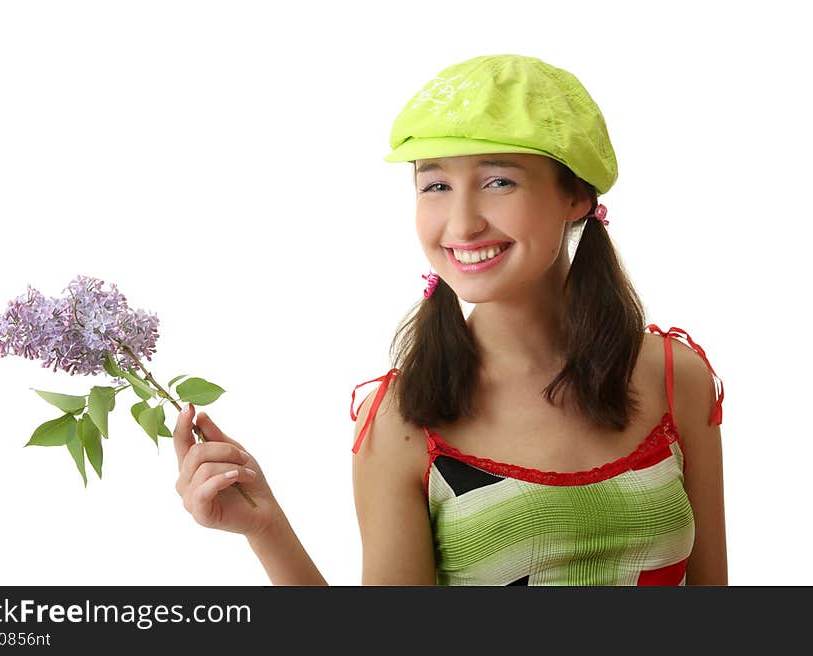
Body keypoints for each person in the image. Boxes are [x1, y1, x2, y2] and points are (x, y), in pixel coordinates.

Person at [172, 54, 727, 586]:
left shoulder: (676, 379)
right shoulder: (403, 420)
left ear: (577, 195)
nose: (461, 224)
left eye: (498, 181)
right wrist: (267, 529)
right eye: (435, 185)